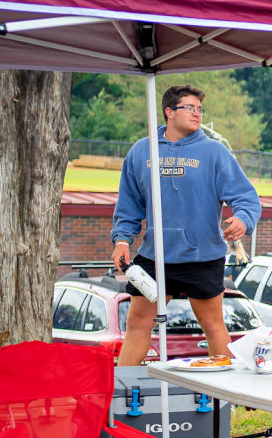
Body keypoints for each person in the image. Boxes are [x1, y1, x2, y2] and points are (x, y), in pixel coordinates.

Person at [110, 85, 259, 365]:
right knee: (137, 323)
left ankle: (222, 402)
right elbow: (128, 204)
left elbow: (246, 197)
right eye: (189, 108)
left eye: (200, 109)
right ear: (169, 112)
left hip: (201, 257)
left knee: (213, 325)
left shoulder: (215, 152)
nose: (197, 113)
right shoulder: (142, 151)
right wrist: (121, 240)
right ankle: (122, 395)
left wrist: (242, 219)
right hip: (154, 256)